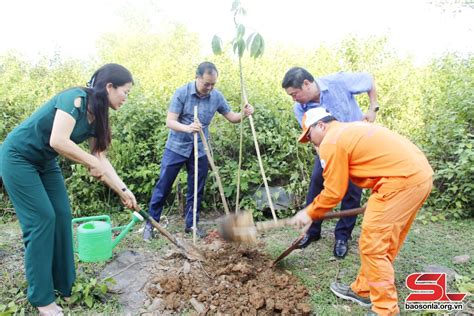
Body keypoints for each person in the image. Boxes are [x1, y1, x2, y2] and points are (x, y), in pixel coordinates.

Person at [0, 64, 138, 316]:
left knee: (63, 215)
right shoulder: (74, 99)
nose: (126, 98)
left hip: (45, 161)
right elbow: (58, 141)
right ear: (109, 86)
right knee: (42, 219)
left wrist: (123, 189)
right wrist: (90, 162)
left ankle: (64, 284)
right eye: (125, 92)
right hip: (18, 157)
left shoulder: (99, 116)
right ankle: (41, 297)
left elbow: (101, 158)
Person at [291, 107, 433, 315]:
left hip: (399, 183)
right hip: (418, 176)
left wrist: (310, 212)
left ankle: (385, 310)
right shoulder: (350, 129)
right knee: (385, 241)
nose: (313, 143)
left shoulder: (331, 141)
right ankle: (364, 290)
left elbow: (333, 191)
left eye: (310, 136)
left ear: (320, 125)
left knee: (373, 247)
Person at [144, 61, 254, 240]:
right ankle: (151, 224)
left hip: (201, 149)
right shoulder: (182, 93)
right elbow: (170, 121)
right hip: (177, 148)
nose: (209, 87)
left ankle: (192, 225)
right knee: (163, 186)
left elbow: (232, 117)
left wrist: (244, 114)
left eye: (213, 84)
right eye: (206, 83)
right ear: (197, 77)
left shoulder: (216, 97)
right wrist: (188, 128)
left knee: (196, 189)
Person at [282, 67, 380, 258]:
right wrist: (325, 159)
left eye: (295, 94)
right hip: (328, 148)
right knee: (317, 181)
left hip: (355, 148)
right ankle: (311, 231)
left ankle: (342, 236)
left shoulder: (338, 82)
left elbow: (368, 80)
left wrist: (373, 108)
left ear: (306, 84)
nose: (294, 99)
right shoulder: (299, 108)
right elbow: (312, 138)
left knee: (352, 190)